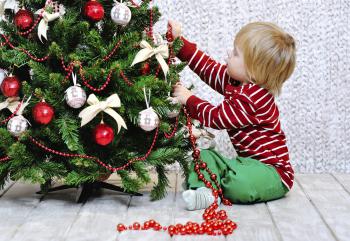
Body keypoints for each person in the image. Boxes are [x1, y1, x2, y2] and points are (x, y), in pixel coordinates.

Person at [168, 20, 296, 210]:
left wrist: (189, 99)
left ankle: (216, 184)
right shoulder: (237, 83)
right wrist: (179, 43)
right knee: (203, 156)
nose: (229, 54)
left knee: (240, 183)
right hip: (246, 164)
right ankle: (206, 193)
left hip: (272, 174)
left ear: (254, 70)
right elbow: (208, 68)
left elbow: (218, 118)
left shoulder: (255, 98)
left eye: (236, 53)